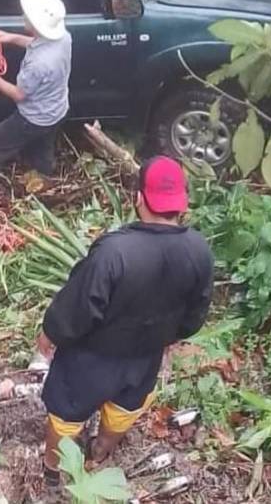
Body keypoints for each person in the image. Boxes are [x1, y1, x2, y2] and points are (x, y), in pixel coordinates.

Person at [37, 156, 213, 483]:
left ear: (138, 198)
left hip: (89, 359)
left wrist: (51, 332)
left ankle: (52, 469)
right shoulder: (199, 250)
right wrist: (170, 335)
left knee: (65, 415)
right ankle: (101, 450)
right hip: (145, 357)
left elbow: (78, 306)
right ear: (182, 204)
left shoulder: (115, 252)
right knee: (124, 409)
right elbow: (195, 313)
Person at [0, 0, 71, 190]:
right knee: (42, 149)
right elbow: (37, 43)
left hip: (33, 118)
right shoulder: (63, 38)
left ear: (36, 25)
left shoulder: (38, 64)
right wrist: (8, 37)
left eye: (28, 16)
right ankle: (44, 183)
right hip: (56, 110)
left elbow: (18, 95)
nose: (24, 16)